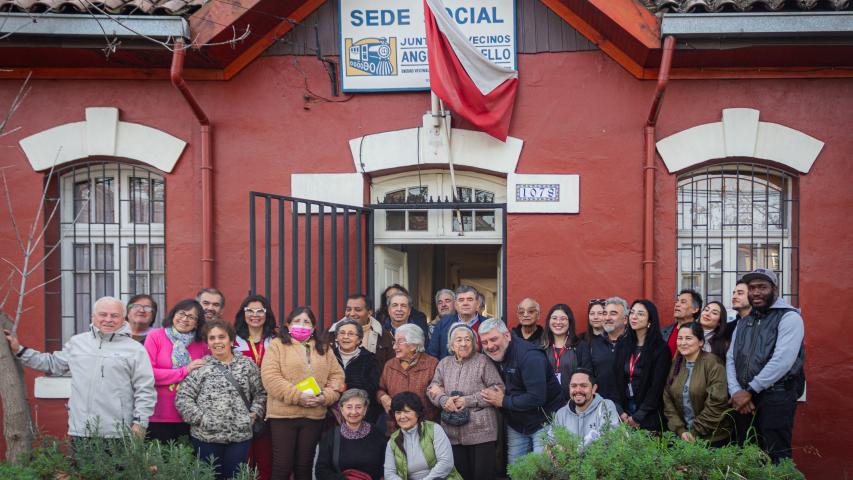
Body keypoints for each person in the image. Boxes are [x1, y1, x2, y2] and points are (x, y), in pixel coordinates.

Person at [6, 296, 155, 439]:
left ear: (123, 319)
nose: (108, 319)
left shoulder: (135, 349)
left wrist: (140, 423)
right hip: (81, 429)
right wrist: (19, 350)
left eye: (114, 316)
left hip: (119, 432)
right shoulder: (77, 342)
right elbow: (52, 364)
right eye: (103, 314)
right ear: (93, 317)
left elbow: (145, 389)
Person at [727, 268, 804, 463]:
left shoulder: (790, 317)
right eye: (752, 288)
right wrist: (736, 391)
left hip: (777, 397)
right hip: (745, 400)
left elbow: (782, 360)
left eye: (762, 287)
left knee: (776, 456)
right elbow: (730, 358)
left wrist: (750, 390)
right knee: (748, 456)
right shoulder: (744, 322)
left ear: (774, 289)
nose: (756, 292)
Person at [175, 319, 266, 480]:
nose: (217, 341)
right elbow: (183, 397)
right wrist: (201, 419)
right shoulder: (201, 367)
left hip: (239, 436)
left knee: (236, 477)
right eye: (212, 338)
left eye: (221, 337)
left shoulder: (247, 365)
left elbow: (261, 393)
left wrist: (253, 414)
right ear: (208, 343)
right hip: (206, 437)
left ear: (231, 340)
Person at [261, 306, 345, 480]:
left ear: (314, 327)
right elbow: (271, 378)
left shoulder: (324, 347)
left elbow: (337, 376)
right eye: (297, 321)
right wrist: (298, 396)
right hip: (283, 416)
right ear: (288, 325)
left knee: (305, 466)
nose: (302, 324)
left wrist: (325, 397)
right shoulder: (277, 345)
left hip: (314, 415)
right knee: (282, 466)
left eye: (306, 322)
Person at [478, 318, 565, 465]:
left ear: (507, 336)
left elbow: (537, 397)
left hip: (544, 422)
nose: (490, 346)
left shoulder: (530, 356)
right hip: (516, 423)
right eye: (485, 342)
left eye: (493, 339)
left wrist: (503, 401)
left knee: (542, 468)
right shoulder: (489, 355)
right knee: (516, 470)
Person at [427, 323, 503, 480]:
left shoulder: (483, 361)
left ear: (474, 343)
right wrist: (443, 400)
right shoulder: (444, 364)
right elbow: (432, 388)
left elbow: (498, 389)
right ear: (451, 345)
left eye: (467, 339)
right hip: (452, 433)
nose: (463, 343)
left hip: (481, 432)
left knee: (482, 476)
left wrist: (468, 400)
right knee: (459, 476)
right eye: (458, 340)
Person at [143, 299, 208, 443]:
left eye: (191, 317)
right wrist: (184, 371)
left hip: (190, 415)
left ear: (197, 323)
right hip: (159, 414)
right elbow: (149, 374)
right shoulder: (156, 337)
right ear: (173, 315)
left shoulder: (202, 344)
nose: (184, 319)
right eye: (181, 313)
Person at [663, 322, 732, 446]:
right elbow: (667, 399)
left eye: (688, 338)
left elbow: (717, 402)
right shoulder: (676, 364)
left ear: (701, 342)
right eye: (680, 338)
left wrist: (695, 431)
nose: (683, 343)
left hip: (712, 438)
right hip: (682, 436)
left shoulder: (713, 363)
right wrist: (680, 430)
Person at [234, 294, 278, 480]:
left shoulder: (276, 341)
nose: (255, 315)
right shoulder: (233, 340)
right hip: (241, 405)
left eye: (260, 310)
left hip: (272, 405)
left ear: (266, 314)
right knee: (243, 457)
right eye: (250, 310)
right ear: (243, 314)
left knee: (266, 458)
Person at [614, 300, 671, 432]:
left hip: (647, 413)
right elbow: (615, 378)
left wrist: (638, 416)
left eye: (640, 314)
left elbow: (657, 387)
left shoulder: (660, 349)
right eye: (632, 312)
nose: (634, 317)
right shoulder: (623, 344)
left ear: (650, 321)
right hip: (624, 410)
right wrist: (620, 411)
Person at [384, 392, 462, 480]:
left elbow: (446, 463)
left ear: (417, 413)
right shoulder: (393, 441)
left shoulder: (434, 429)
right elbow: (389, 474)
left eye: (407, 411)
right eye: (398, 412)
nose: (402, 416)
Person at [377, 324, 439, 434]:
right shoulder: (390, 365)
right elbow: (380, 389)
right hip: (395, 430)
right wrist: (383, 397)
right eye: (394, 342)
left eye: (400, 342)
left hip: (424, 429)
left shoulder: (432, 364)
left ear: (414, 345)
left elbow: (437, 396)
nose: (394, 347)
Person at [315, 389, 387, 480]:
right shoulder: (331, 436)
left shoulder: (377, 433)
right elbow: (321, 470)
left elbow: (387, 466)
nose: (353, 412)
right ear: (342, 409)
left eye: (358, 407)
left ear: (365, 409)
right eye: (349, 407)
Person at [550, 369, 620, 446]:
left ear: (594, 389)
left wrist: (577, 450)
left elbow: (609, 436)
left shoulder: (606, 406)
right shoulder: (561, 414)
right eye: (573, 386)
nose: (578, 390)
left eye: (583, 386)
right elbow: (550, 441)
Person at [332, 319, 382, 425]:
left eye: (351, 334)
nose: (345, 337)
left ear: (359, 339)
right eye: (342, 333)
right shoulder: (328, 356)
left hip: (361, 414)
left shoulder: (369, 359)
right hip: (331, 414)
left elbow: (372, 387)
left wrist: (344, 387)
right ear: (336, 337)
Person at [329, 293, 395, 369]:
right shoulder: (331, 334)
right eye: (348, 309)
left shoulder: (384, 336)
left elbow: (390, 368)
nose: (352, 314)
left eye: (358, 310)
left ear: (369, 312)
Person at [540, 303, 591, 394]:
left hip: (573, 400)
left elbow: (587, 375)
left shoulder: (580, 346)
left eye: (563, 319)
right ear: (548, 321)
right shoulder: (541, 347)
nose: (558, 322)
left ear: (570, 322)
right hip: (546, 401)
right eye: (554, 318)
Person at [588, 297, 629, 403]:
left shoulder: (633, 344)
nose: (607, 317)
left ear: (625, 319)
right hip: (601, 406)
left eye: (613, 313)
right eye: (605, 313)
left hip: (630, 410)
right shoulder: (594, 344)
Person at [428, 285, 487, 360]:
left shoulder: (488, 324)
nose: (465, 303)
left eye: (470, 299)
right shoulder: (442, 324)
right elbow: (432, 355)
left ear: (477, 304)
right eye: (461, 300)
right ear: (455, 305)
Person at [662, 289, 703, 357]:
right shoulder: (664, 332)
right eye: (677, 301)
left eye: (683, 302)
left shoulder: (701, 333)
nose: (677, 304)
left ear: (695, 309)